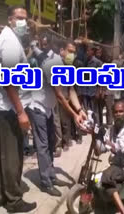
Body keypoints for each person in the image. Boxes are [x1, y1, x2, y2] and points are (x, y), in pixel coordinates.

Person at [26, 36, 87, 197]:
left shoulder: (65, 65)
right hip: (38, 106)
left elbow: (71, 89)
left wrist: (80, 109)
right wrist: (74, 115)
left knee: (52, 142)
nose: (73, 55)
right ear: (61, 51)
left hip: (48, 107)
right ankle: (46, 182)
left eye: (74, 52)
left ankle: (52, 175)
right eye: (70, 52)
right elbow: (60, 95)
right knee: (43, 145)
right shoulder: (52, 63)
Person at [0, 5, 37, 213]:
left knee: (4, 155)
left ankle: (1, 195)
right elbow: (9, 80)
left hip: (4, 106)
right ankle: (14, 201)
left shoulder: (8, 38)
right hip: (10, 109)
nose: (23, 23)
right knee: (13, 157)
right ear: (10, 19)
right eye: (19, 18)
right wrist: (21, 112)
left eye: (25, 19)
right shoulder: (9, 42)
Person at [95, 99, 124, 214]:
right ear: (112, 113)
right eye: (116, 112)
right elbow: (101, 149)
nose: (118, 115)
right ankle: (118, 204)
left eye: (121, 111)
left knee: (106, 176)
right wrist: (95, 135)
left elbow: (122, 150)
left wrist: (109, 144)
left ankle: (123, 211)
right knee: (102, 180)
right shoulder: (111, 130)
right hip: (118, 167)